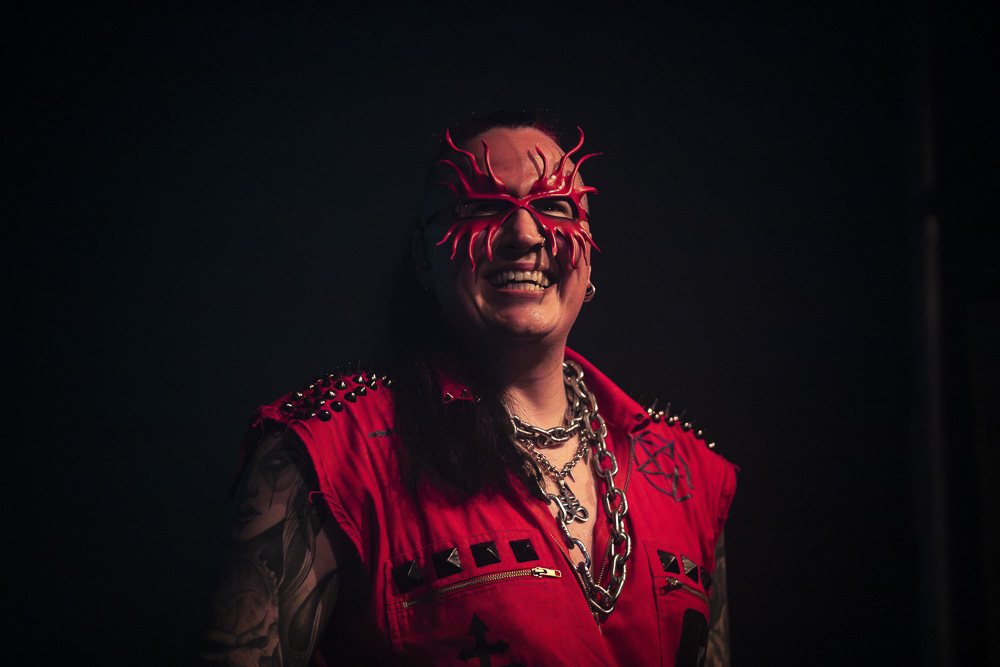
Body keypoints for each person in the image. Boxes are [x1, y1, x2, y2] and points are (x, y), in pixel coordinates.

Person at [194, 111, 737, 666]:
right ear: (423, 257)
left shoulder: (689, 474)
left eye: (554, 207)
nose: (525, 234)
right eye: (480, 208)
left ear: (590, 251)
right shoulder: (326, 458)